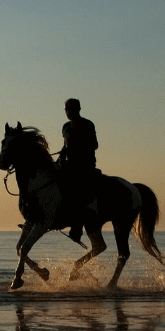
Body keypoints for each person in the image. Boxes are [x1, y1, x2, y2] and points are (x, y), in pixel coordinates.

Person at [58, 98, 99, 244]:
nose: (69, 112)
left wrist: (77, 148)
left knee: (77, 192)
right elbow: (65, 145)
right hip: (69, 164)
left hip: (84, 165)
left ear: (78, 109)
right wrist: (62, 153)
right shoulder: (65, 127)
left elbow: (94, 145)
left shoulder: (88, 124)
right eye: (67, 110)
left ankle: (77, 228)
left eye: (71, 109)